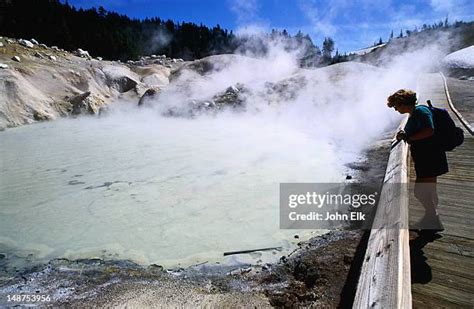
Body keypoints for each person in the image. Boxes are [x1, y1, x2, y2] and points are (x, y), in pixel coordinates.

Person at [387, 89, 447, 232]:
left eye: (396, 106)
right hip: (428, 156)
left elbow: (429, 130)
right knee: (429, 190)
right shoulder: (415, 112)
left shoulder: (421, 112)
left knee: (420, 192)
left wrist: (409, 138)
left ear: (403, 104)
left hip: (430, 157)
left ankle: (433, 219)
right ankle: (431, 220)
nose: (396, 110)